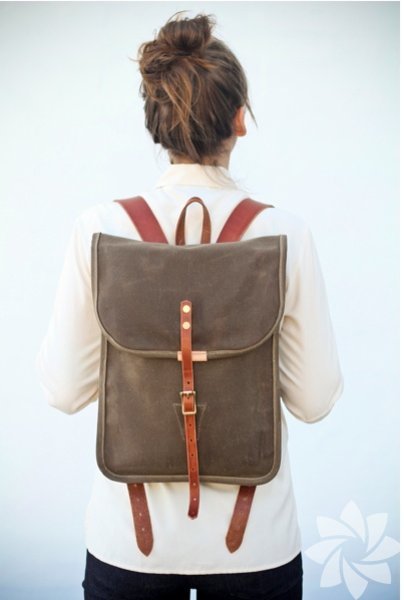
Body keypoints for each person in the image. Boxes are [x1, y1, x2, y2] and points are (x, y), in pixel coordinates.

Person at [36, 10, 344, 600]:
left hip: (129, 547)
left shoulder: (98, 229)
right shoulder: (286, 234)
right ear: (239, 120)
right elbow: (314, 400)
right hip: (257, 547)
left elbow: (63, 391)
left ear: (156, 125)